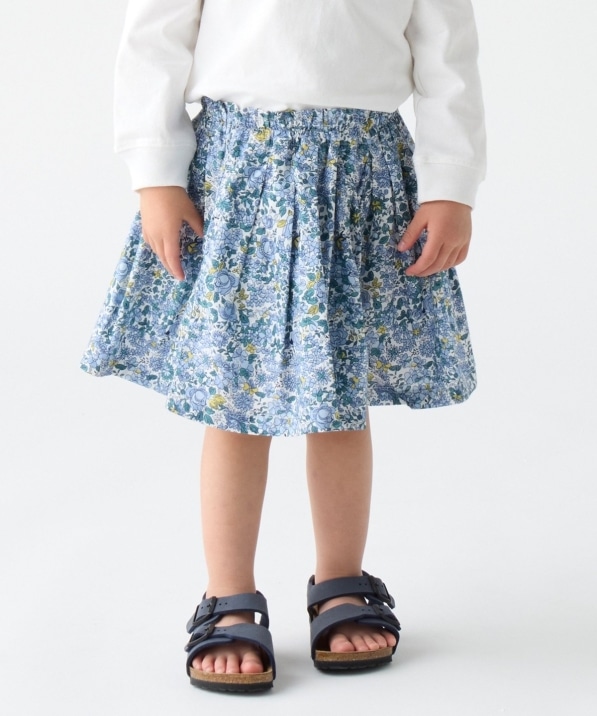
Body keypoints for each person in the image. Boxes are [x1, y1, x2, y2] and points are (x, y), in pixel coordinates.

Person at [81, 0, 486, 693]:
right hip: (241, 176)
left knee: (339, 399)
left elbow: (448, 56)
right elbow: (155, 39)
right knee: (235, 401)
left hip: (359, 182)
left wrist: (451, 184)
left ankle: (340, 580)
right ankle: (227, 592)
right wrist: (156, 175)